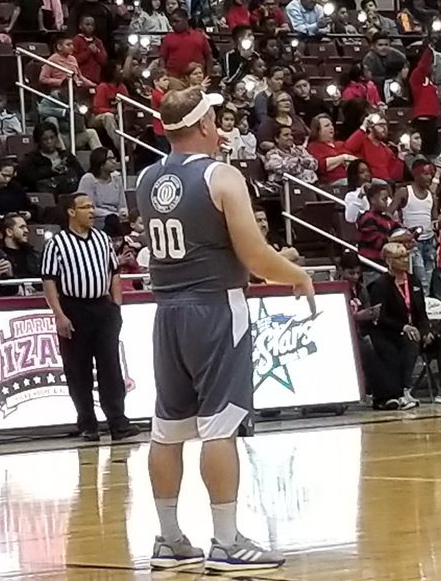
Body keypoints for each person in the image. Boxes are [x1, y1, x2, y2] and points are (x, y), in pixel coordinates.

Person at [136, 87, 314, 572]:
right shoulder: (222, 176)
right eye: (213, 117)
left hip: (167, 310)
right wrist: (297, 274)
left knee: (167, 430)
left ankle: (169, 539)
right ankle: (227, 541)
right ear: (203, 125)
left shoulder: (147, 178)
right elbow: (255, 257)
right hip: (215, 307)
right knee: (220, 426)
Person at [39, 192, 139, 444]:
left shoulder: (103, 239)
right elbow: (49, 281)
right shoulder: (57, 243)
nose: (92, 211)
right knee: (78, 369)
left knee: (111, 367)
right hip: (74, 308)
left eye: (92, 206)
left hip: (102, 307)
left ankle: (118, 421)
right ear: (71, 212)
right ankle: (87, 423)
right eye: (85, 207)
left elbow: (114, 272)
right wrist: (59, 315)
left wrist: (116, 305)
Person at [369, 240, 441, 406]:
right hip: (394, 334)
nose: (406, 260)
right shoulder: (380, 285)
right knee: (411, 338)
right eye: (400, 257)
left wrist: (426, 329)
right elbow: (380, 318)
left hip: (415, 329)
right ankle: (405, 389)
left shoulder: (413, 281)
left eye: (406, 256)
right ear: (389, 261)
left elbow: (420, 311)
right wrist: (404, 327)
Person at [390, 157, 441, 295]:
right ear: (416, 174)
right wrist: (400, 231)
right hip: (413, 242)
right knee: (421, 278)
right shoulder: (405, 192)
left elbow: (434, 219)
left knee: (428, 280)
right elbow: (389, 213)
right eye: (426, 174)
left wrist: (439, 225)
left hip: (429, 241)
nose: (429, 177)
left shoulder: (431, 195)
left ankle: (425, 306)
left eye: (431, 174)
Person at [78, 148, 125, 233]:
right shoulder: (88, 179)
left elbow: (122, 205)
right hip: (97, 219)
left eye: (114, 158)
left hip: (116, 218)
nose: (114, 161)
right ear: (101, 163)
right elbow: (89, 208)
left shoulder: (117, 179)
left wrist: (123, 213)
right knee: (112, 221)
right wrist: (111, 214)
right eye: (110, 159)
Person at [0, 213, 43, 282]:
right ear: (9, 232)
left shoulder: (34, 255)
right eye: (21, 227)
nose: (26, 230)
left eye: (26, 227)